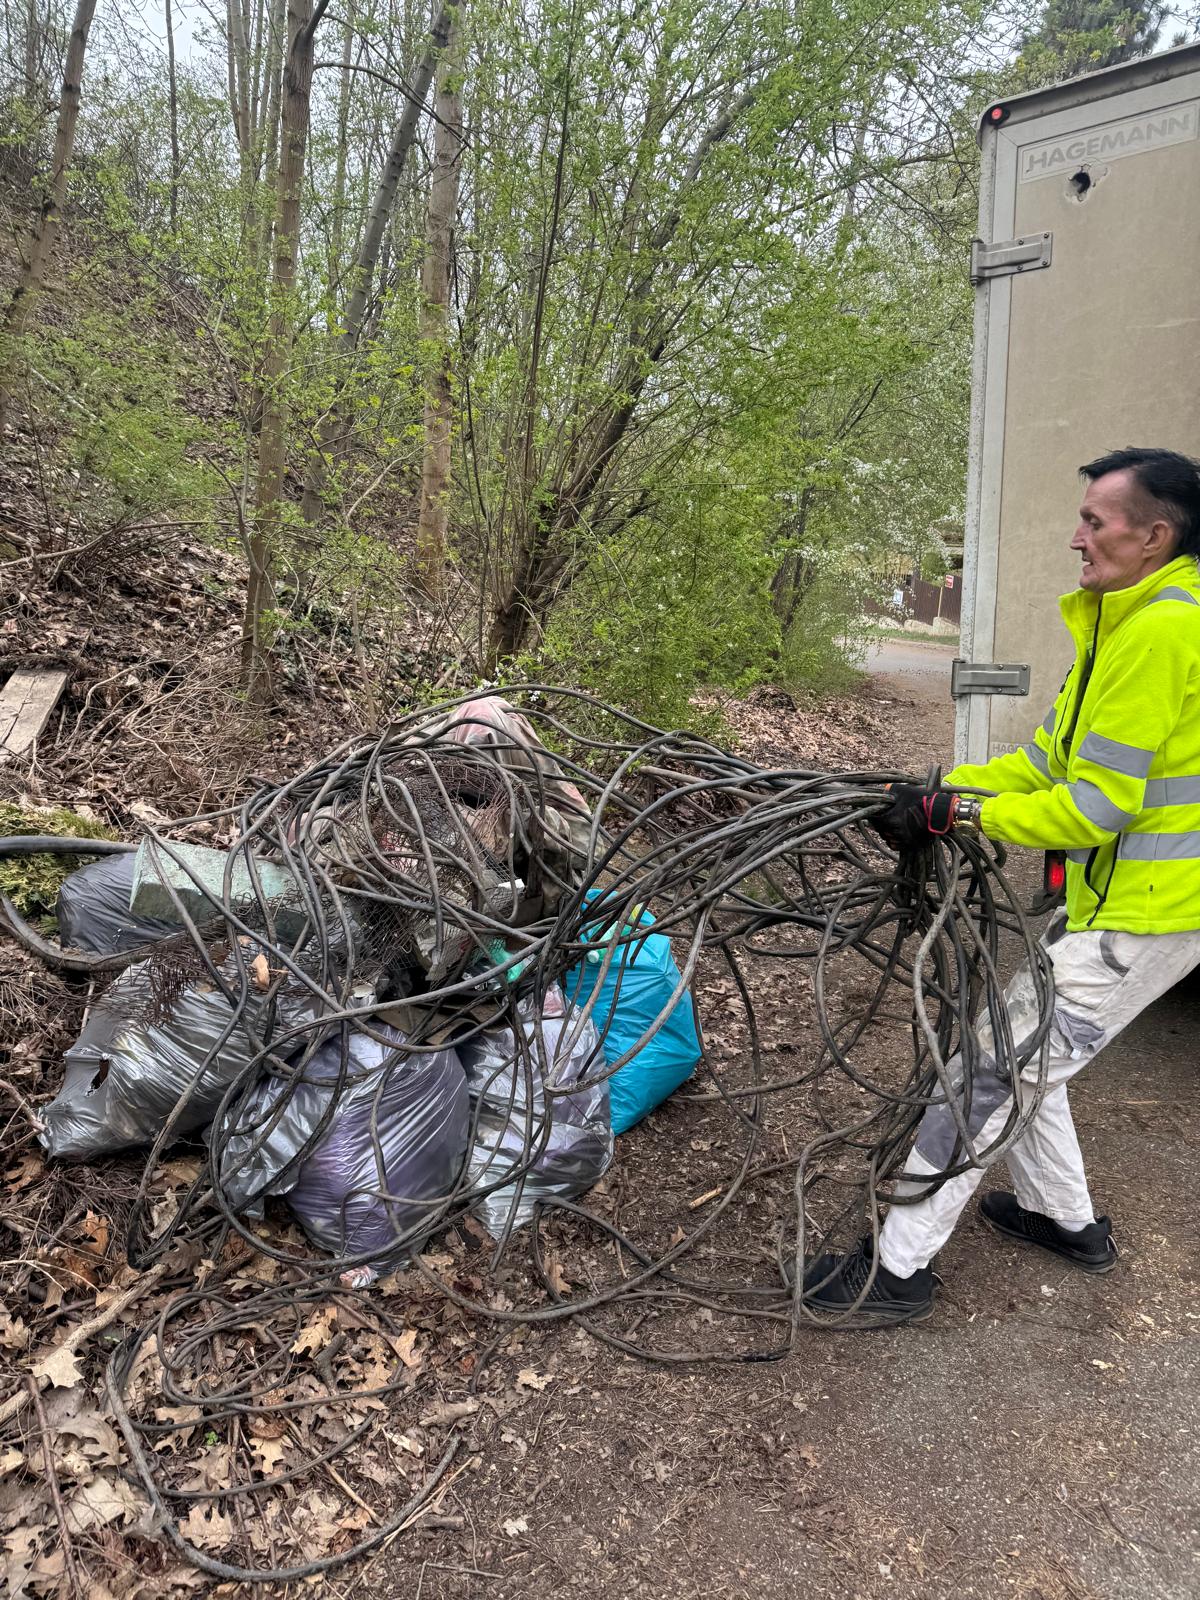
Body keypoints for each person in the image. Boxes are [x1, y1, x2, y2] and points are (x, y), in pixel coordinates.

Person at [804, 446, 1200, 1327]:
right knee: (1027, 1061)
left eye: (1094, 521)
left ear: (1154, 536)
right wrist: (945, 788)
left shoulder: (1164, 632)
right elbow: (1047, 765)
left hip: (1149, 919)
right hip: (1118, 906)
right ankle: (1066, 1222)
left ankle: (896, 1273)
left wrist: (956, 817)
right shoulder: (1123, 625)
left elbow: (1092, 809)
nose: (1076, 538)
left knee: (985, 1074)